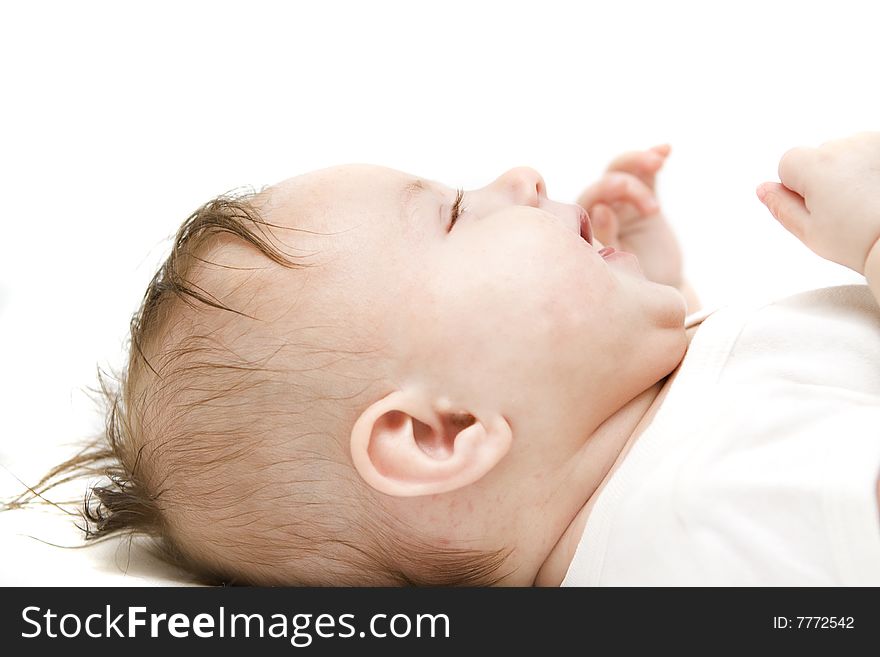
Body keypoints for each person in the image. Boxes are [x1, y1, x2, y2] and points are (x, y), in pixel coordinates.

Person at [9, 133, 880, 586]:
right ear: (441, 431)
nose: (523, 175)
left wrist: (654, 283)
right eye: (458, 216)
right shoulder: (724, 497)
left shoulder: (662, 475)